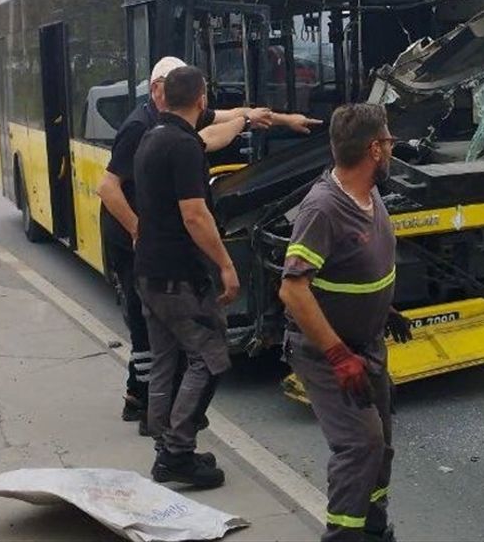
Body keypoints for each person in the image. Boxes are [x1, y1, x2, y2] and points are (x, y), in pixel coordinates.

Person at [98, 56, 321, 431]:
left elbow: (229, 121)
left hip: (154, 255)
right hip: (138, 245)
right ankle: (161, 424)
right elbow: (114, 189)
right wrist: (140, 232)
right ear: (160, 90)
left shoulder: (167, 130)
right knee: (192, 350)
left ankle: (159, 429)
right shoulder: (142, 129)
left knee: (166, 349)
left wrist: (282, 120)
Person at [278, 103, 413, 542]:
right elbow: (293, 289)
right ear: (374, 149)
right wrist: (338, 356)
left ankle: (374, 529)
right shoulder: (323, 209)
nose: (392, 148)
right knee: (360, 445)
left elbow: (354, 268)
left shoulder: (369, 193)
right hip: (328, 354)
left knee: (382, 446)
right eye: (388, 141)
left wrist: (381, 308)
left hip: (368, 344)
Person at [133, 66, 241, 488]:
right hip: (179, 276)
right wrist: (226, 265)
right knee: (210, 356)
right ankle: (178, 452)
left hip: (149, 271)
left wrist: (244, 119)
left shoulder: (152, 137)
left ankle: (166, 445)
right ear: (201, 98)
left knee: (166, 359)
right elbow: (194, 214)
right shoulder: (183, 147)